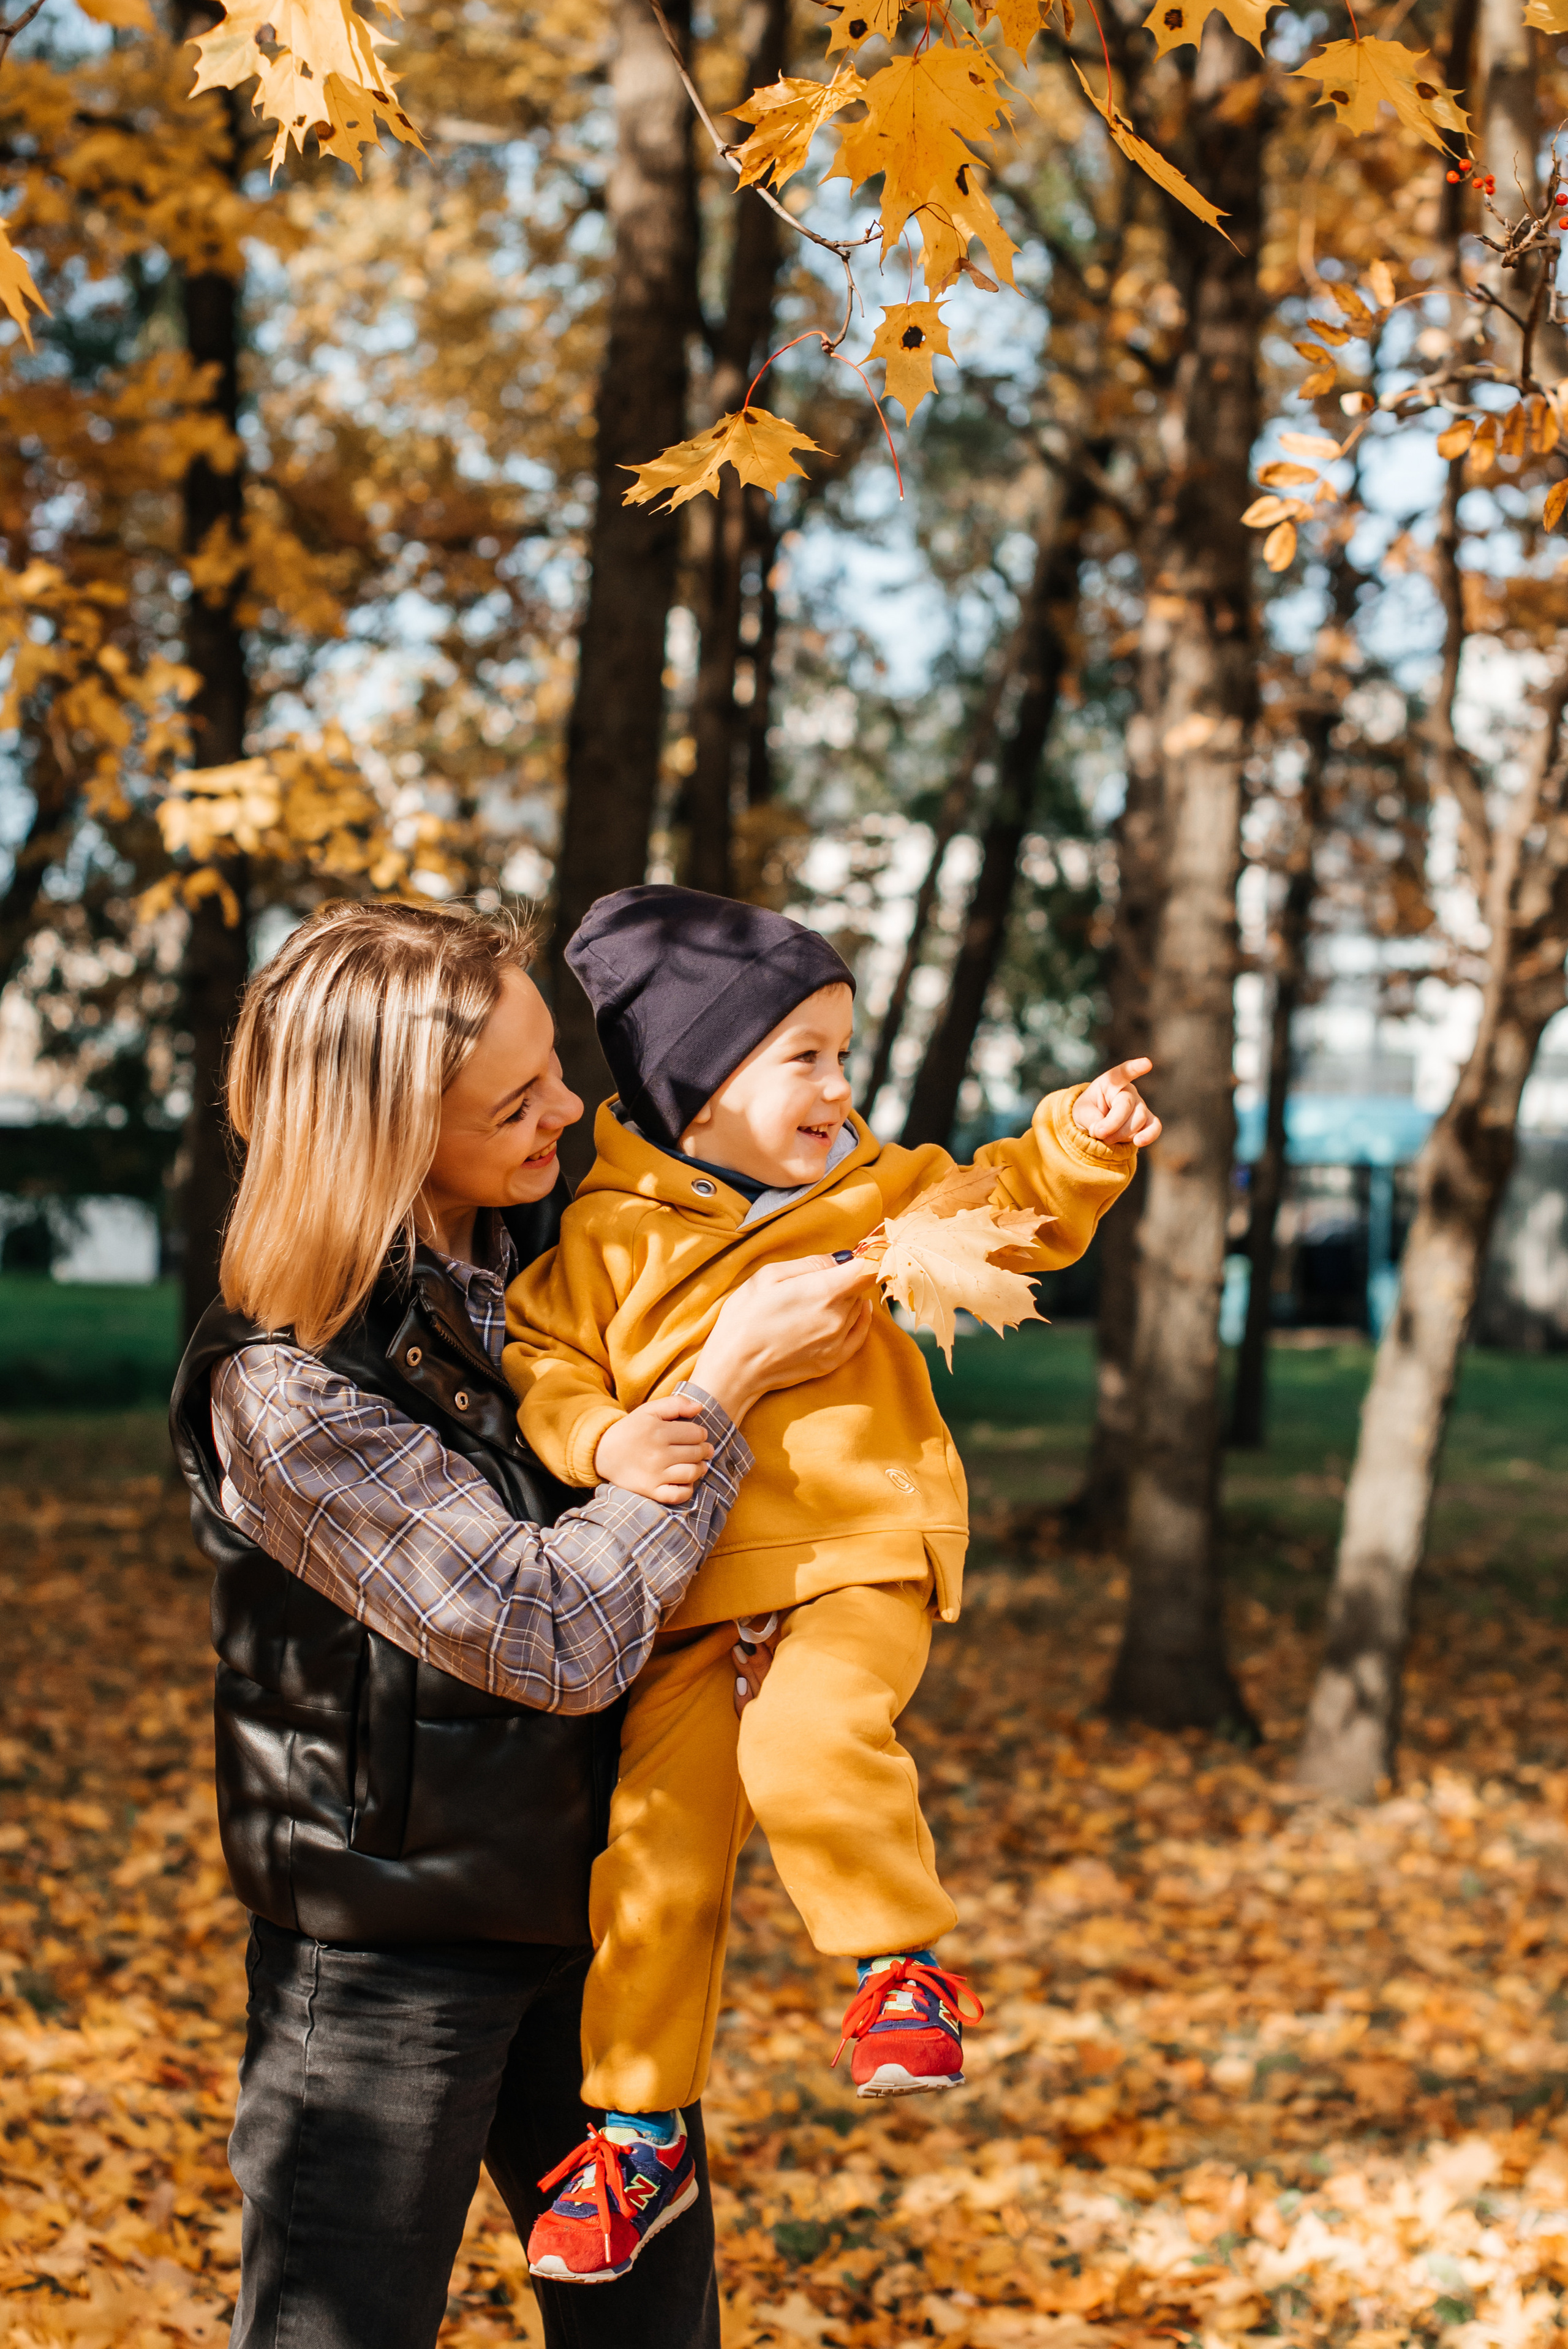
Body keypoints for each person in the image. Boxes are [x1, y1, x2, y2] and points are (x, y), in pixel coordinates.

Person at [167, 896, 876, 2349]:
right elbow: (550, 1634)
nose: (572, 1105)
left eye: (557, 1063)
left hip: (603, 1924)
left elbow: (667, 1553)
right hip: (388, 1963)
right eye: (518, 1095)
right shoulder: (286, 1390)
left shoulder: (567, 1259)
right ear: (385, 1121)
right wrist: (719, 1393)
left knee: (652, 2335)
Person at [502, 884, 1162, 2285]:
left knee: (809, 1745)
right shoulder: (603, 1237)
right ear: (696, 1076)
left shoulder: (873, 1190)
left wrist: (1073, 1147)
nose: (838, 1086)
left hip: (854, 1553)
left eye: (844, 1053)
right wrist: (605, 1434)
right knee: (652, 1865)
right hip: (684, 1597)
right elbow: (541, 1367)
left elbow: (1008, 1216)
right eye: (803, 1054)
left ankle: (899, 1965)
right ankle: (634, 2128)